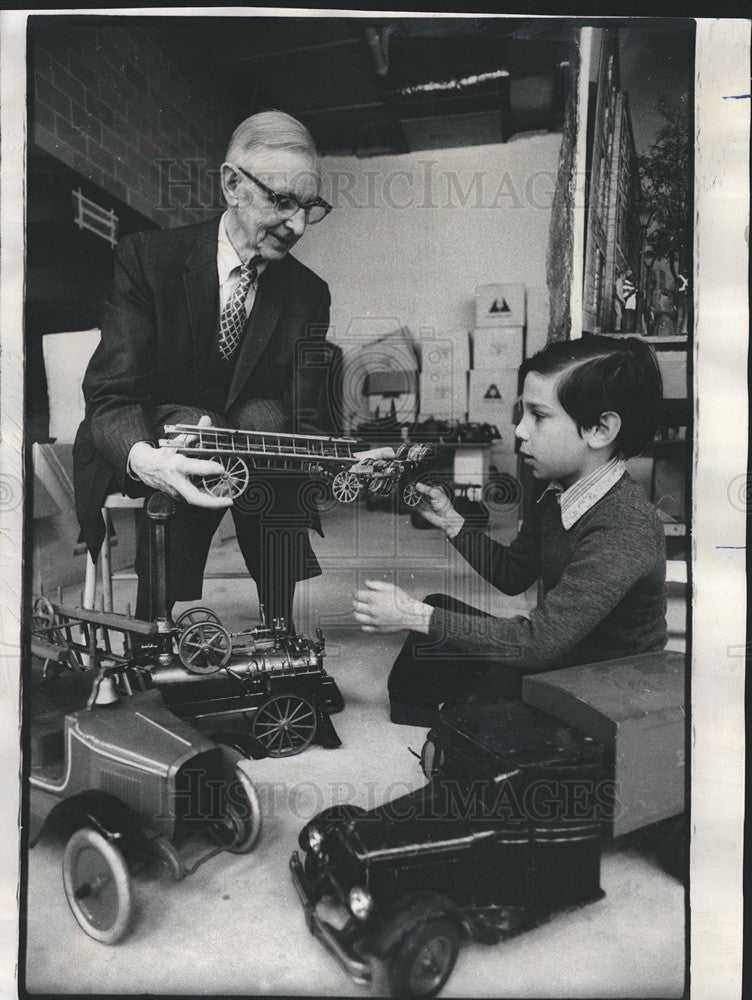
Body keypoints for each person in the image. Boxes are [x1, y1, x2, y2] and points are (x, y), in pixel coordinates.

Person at [74, 111, 334, 628]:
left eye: (310, 207)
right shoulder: (147, 259)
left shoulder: (309, 293)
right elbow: (112, 395)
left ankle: (279, 623)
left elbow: (305, 409)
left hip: (251, 440)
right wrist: (145, 458)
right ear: (232, 185)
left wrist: (338, 457)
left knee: (266, 419)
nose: (298, 226)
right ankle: (158, 619)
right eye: (282, 202)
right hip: (150, 436)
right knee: (195, 427)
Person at [353, 336, 667, 726]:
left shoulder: (625, 525)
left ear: (600, 429)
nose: (519, 430)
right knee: (438, 627)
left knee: (465, 695)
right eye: (522, 413)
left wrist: (414, 614)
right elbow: (514, 574)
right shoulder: (556, 490)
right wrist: (453, 522)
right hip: (562, 658)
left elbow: (538, 643)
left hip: (607, 691)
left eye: (539, 415)